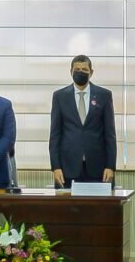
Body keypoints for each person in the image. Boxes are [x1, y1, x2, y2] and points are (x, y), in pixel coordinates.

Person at [49, 55, 117, 189]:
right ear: (71, 72)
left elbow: (110, 134)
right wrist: (55, 167)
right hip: (67, 168)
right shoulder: (59, 96)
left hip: (99, 169)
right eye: (77, 69)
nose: (81, 72)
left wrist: (110, 166)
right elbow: (55, 135)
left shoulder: (104, 95)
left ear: (91, 72)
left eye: (85, 69)